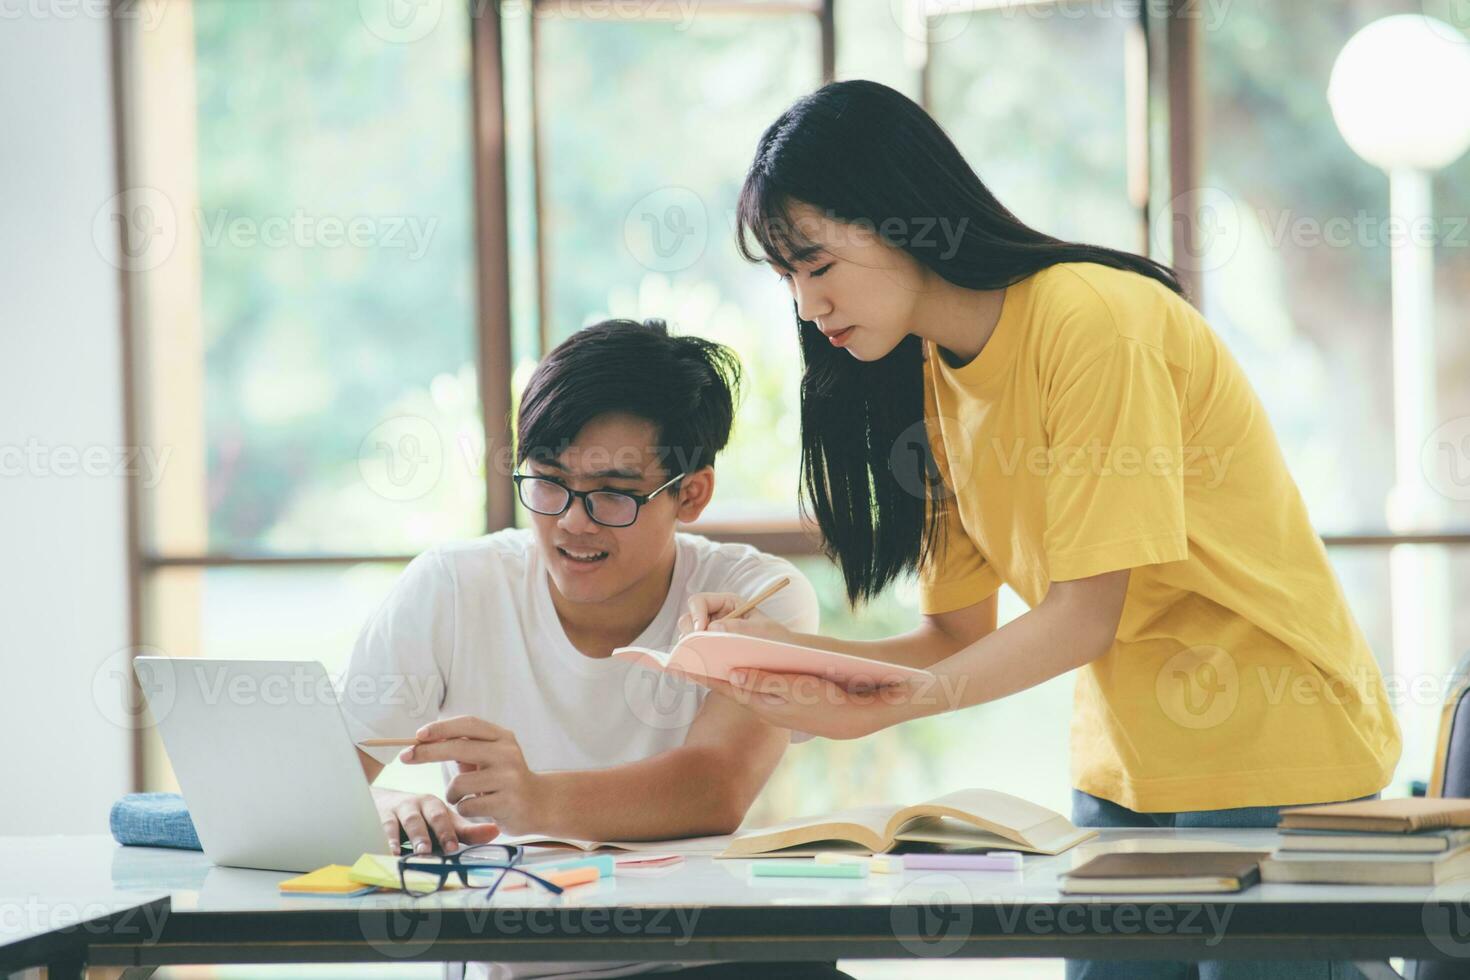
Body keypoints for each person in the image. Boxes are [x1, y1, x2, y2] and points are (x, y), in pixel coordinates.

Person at [677, 80, 1400, 980]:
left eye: (816, 265)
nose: (805, 306)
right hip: (1125, 768)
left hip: (1274, 752)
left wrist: (897, 707)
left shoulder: (1093, 322)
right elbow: (953, 635)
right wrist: (791, 664)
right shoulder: (928, 379)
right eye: (786, 277)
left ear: (902, 216)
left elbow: (1082, 616)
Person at [341, 318, 850, 980]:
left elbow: (716, 785)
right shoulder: (454, 587)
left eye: (612, 493)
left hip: (711, 963)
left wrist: (536, 798)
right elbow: (322, 782)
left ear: (690, 494)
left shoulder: (754, 594)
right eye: (548, 480)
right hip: (526, 966)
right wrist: (386, 811)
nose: (571, 522)